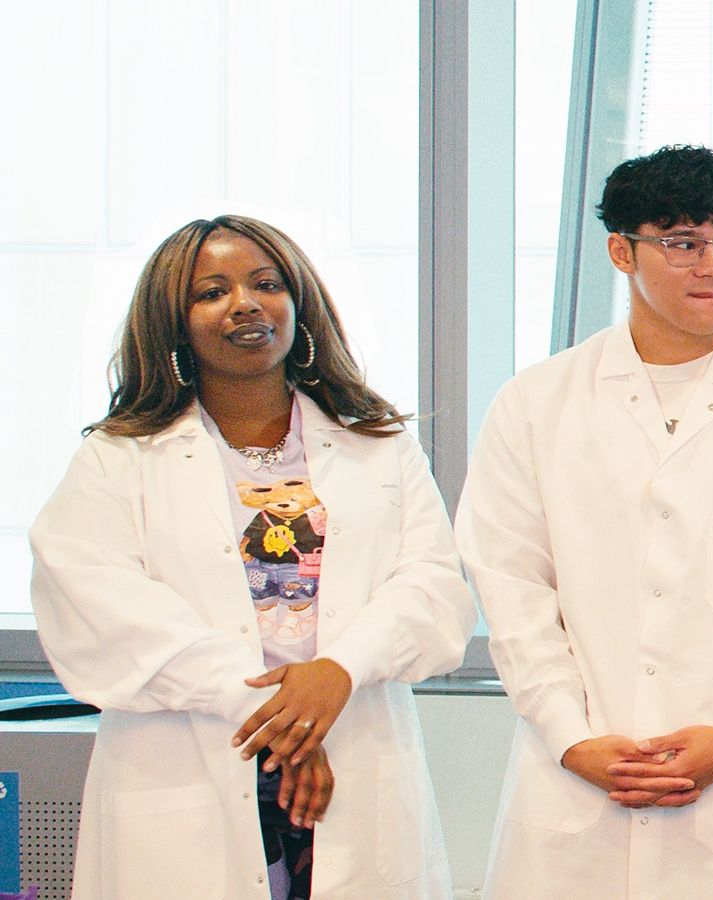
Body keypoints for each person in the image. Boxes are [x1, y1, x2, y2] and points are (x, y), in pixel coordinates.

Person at [455, 145, 713, 898]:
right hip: (576, 775)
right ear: (621, 250)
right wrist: (570, 736)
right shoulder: (537, 403)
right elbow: (511, 587)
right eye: (683, 243)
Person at [30, 215, 476, 900]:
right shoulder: (115, 460)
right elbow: (102, 609)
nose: (244, 304)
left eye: (265, 284)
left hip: (351, 756)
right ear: (174, 323)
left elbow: (432, 591)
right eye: (211, 292)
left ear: (298, 304)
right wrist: (277, 720)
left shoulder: (378, 445)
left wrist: (336, 674)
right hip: (191, 768)